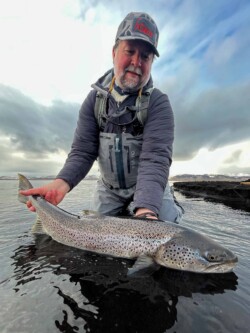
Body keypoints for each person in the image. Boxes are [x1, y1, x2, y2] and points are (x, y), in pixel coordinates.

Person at [21, 12, 184, 222]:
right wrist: (61, 184)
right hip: (108, 190)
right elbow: (83, 151)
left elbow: (155, 159)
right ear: (114, 52)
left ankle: (167, 206)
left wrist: (146, 213)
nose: (136, 61)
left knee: (169, 229)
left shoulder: (158, 104)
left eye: (145, 56)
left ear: (151, 62)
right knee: (89, 242)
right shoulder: (94, 101)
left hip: (149, 187)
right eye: (130, 51)